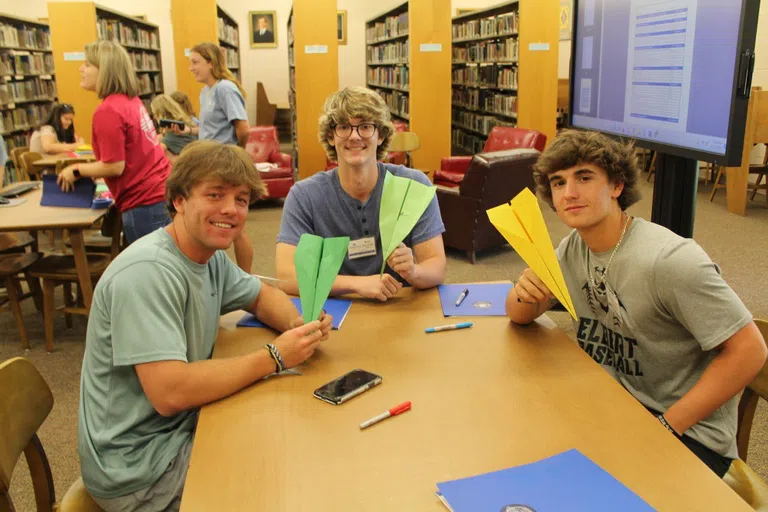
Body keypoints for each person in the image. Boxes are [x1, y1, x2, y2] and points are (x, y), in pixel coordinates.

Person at [78, 140, 332, 512]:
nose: (230, 210)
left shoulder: (206, 255)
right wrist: (277, 355)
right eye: (215, 195)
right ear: (179, 200)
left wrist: (299, 322)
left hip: (177, 430)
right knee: (286, 479)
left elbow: (259, 295)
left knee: (288, 434)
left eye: (241, 200)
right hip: (140, 471)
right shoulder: (146, 274)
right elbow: (170, 393)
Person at [505, 129, 767, 478]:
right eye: (558, 182)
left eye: (584, 178)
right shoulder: (573, 247)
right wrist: (526, 291)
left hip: (686, 435)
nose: (569, 193)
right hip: (617, 407)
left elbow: (750, 350)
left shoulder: (668, 260)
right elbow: (518, 314)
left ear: (616, 186)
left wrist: (666, 426)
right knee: (518, 443)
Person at [276, 86, 446, 302]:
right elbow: (286, 276)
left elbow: (436, 267)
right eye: (344, 127)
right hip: (333, 311)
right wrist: (357, 285)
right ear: (330, 137)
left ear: (381, 135)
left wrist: (413, 271)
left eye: (365, 127)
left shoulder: (413, 185)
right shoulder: (304, 196)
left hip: (399, 309)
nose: (355, 136)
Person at [57, 40, 171, 245]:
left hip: (143, 201)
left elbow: (114, 166)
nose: (81, 68)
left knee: (151, 271)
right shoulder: (131, 101)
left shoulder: (108, 110)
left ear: (105, 70)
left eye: (88, 64)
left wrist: (76, 170)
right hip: (158, 193)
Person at [187, 41, 253, 272]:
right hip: (208, 163)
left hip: (225, 165)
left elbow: (243, 128)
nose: (191, 68)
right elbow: (211, 127)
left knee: (236, 227)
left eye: (195, 62)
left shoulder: (225, 88)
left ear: (211, 63)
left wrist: (235, 154)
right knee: (213, 223)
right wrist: (188, 131)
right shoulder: (206, 92)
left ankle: (247, 277)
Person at [150, 94, 196, 164]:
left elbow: (155, 154)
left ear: (160, 113)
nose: (154, 117)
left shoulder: (173, 130)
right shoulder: (185, 121)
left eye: (154, 114)